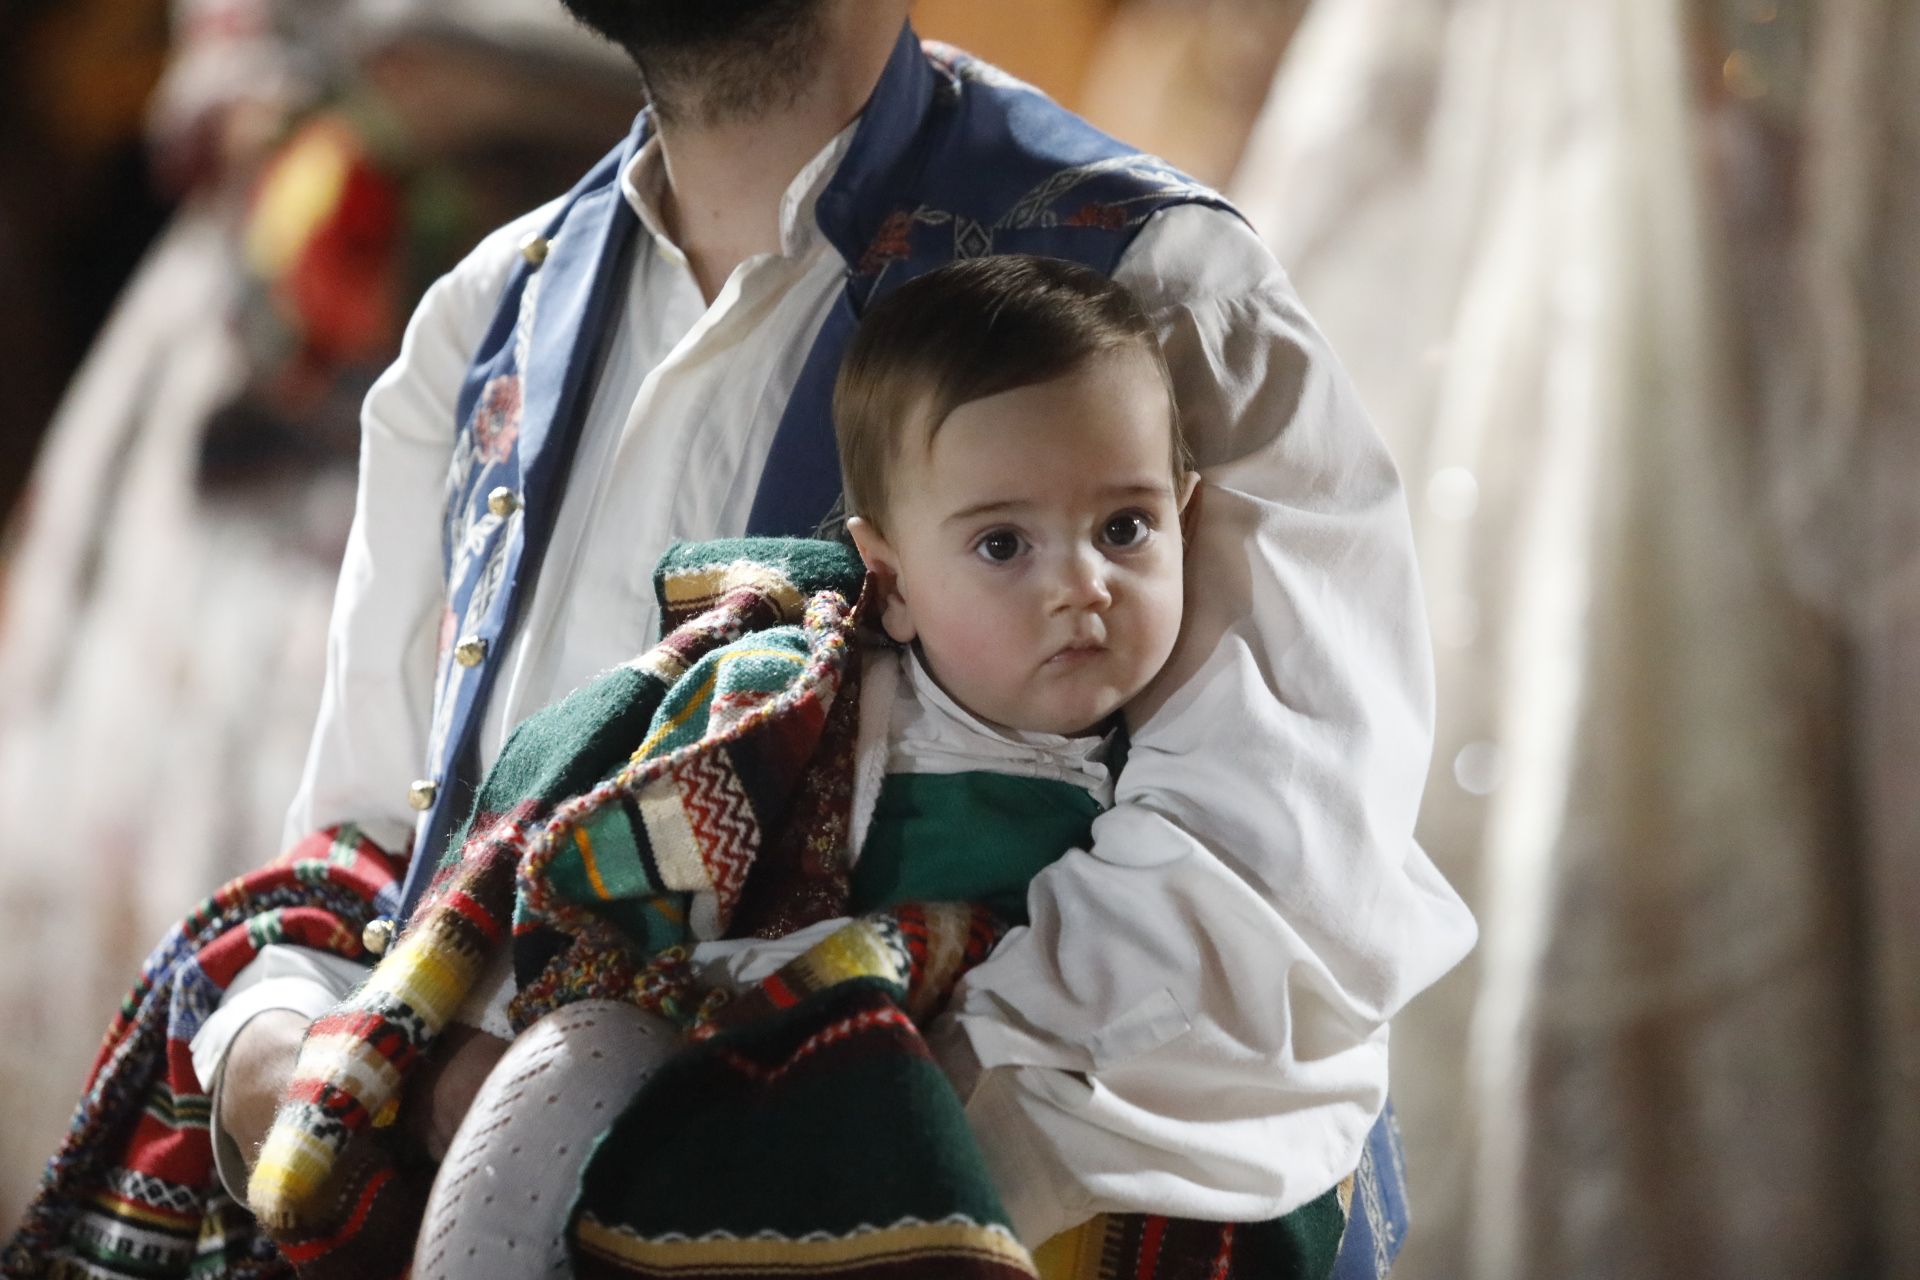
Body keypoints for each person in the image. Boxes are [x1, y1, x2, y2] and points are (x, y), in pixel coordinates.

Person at [196, 0, 1474, 1265]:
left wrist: (762, 1162)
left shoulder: (1158, 286)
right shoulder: (484, 320)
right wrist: (280, 1032)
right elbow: (378, 829)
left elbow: (1266, 882)